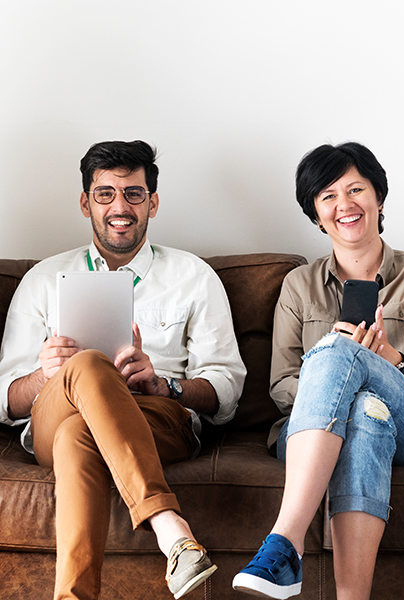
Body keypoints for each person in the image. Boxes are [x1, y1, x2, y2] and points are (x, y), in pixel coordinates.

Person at [0, 141, 247, 600]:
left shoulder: (194, 277)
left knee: (81, 435)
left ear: (152, 202)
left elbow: (226, 390)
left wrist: (163, 384)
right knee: (88, 365)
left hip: (156, 417)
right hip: (51, 419)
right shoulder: (42, 280)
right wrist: (45, 374)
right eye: (105, 194)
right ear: (85, 203)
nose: (120, 207)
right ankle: (169, 528)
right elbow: (4, 400)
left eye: (133, 194)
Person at [232, 142, 404, 600]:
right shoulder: (298, 286)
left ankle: (284, 541)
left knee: (341, 352)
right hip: (318, 428)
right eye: (328, 196)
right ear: (316, 215)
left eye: (356, 189)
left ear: (379, 198)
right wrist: (345, 381)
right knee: (364, 414)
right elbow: (281, 386)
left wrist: (389, 360)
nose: (345, 205)